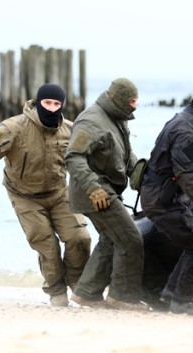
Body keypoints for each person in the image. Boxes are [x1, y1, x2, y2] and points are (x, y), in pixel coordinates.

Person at [0, 83, 91, 307]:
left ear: (62, 105)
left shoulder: (71, 130)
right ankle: (57, 293)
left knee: (81, 238)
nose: (51, 108)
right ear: (38, 102)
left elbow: (90, 159)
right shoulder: (13, 128)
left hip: (59, 193)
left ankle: (78, 285)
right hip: (24, 196)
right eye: (47, 103)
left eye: (56, 104)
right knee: (46, 244)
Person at [139, 78, 193, 317]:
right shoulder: (187, 128)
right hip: (162, 198)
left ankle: (170, 292)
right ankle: (182, 302)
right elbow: (186, 173)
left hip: (175, 195)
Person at [64, 77, 150, 312]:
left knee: (111, 239)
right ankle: (122, 297)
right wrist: (94, 187)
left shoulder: (116, 118)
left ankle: (86, 293)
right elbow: (73, 157)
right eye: (133, 101)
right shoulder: (91, 121)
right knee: (130, 238)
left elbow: (125, 155)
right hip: (94, 192)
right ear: (121, 99)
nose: (135, 106)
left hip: (108, 189)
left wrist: (144, 174)